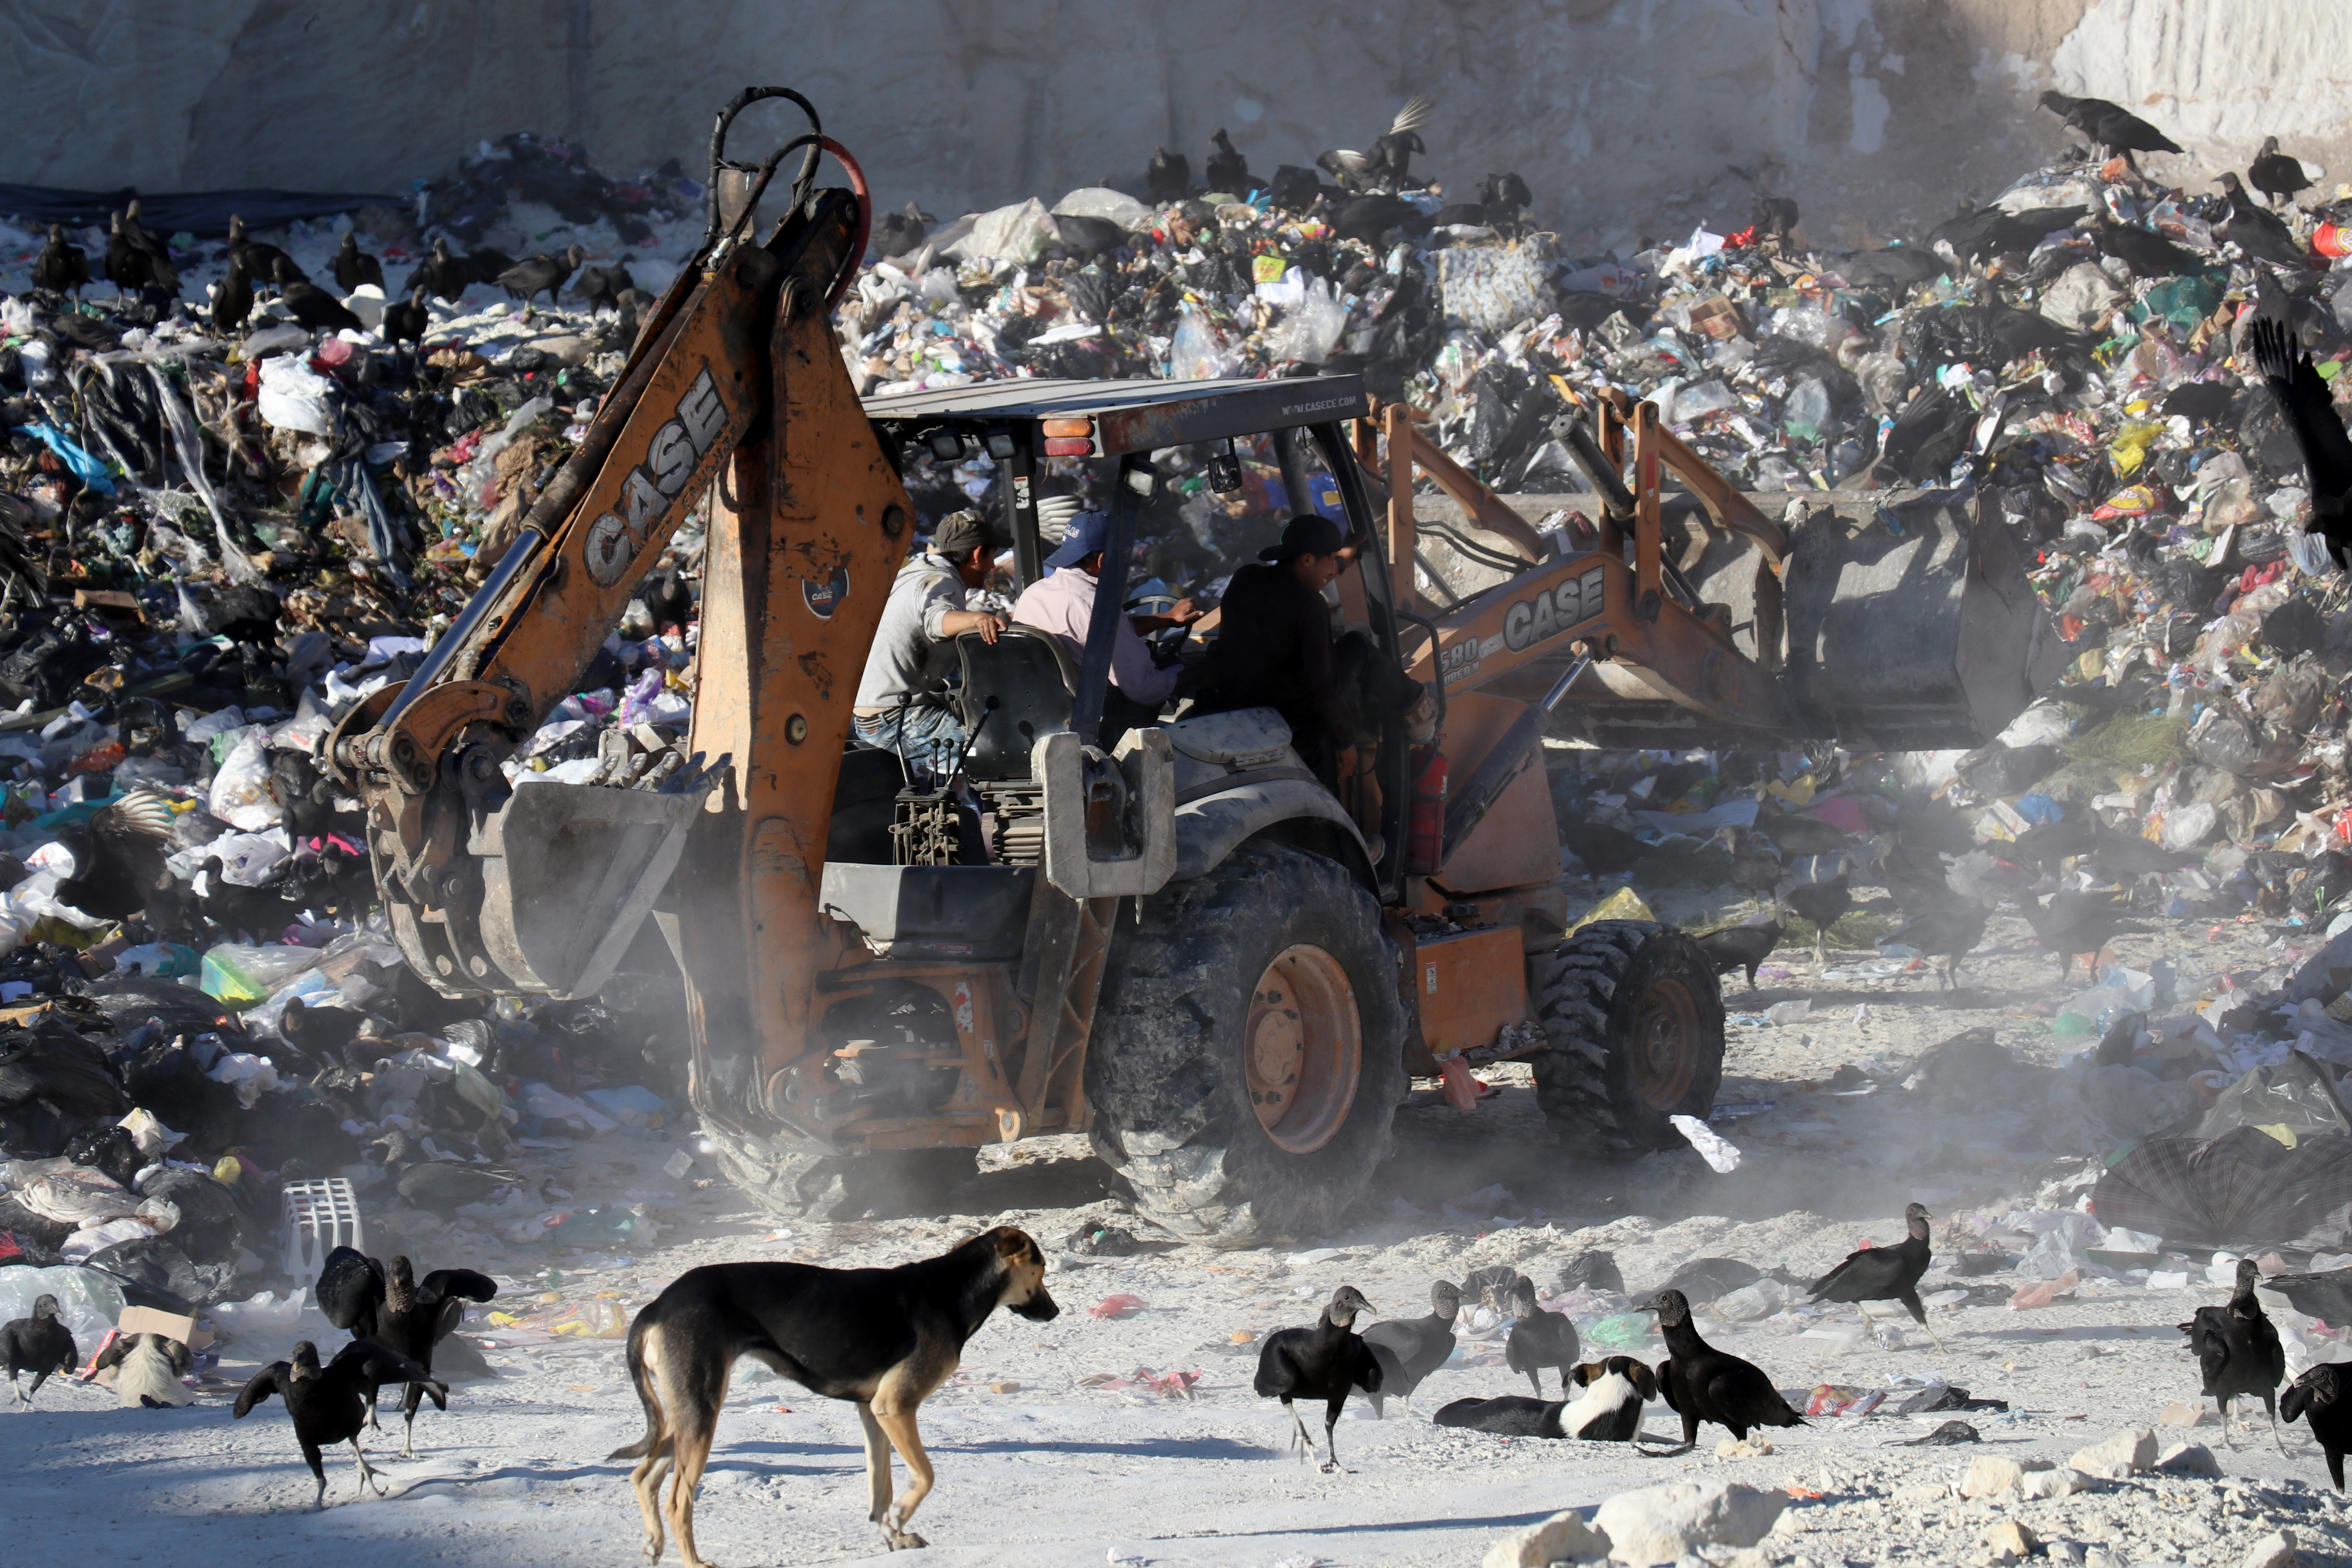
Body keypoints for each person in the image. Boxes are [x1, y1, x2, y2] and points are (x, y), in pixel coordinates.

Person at [1190, 514, 1354, 786]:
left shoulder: (1246, 578)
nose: (1333, 569)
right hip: (1288, 727)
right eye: (1331, 559)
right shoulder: (1311, 605)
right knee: (1357, 649)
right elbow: (1324, 688)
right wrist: (1347, 741)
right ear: (1307, 560)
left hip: (1235, 712)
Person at [1011, 508, 1199, 736]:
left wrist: (1167, 619)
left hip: (1041, 715)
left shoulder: (1034, 593)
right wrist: (1196, 673)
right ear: (1103, 560)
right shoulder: (1096, 606)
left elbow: (1094, 635)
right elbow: (1144, 688)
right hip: (1095, 723)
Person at [850, 510, 1005, 779]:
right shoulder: (940, 583)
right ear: (978, 554)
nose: (993, 566)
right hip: (895, 716)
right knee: (991, 755)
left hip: (887, 707)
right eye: (992, 557)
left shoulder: (920, 570)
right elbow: (936, 620)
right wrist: (979, 619)